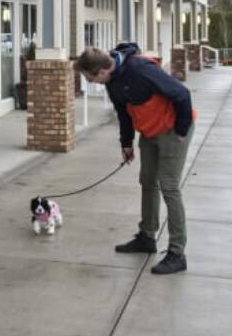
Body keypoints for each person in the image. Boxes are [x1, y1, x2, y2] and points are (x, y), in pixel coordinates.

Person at [76, 43, 195, 275]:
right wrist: (126, 143)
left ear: (101, 71)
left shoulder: (140, 69)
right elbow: (123, 112)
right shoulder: (112, 82)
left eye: (90, 78)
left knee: (169, 186)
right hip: (149, 131)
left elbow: (182, 94)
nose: (90, 83)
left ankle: (177, 253)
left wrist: (181, 130)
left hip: (173, 130)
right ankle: (147, 237)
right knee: (147, 181)